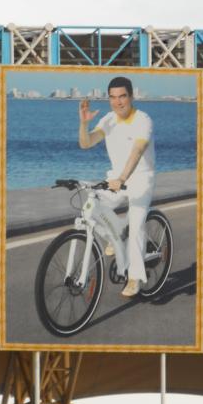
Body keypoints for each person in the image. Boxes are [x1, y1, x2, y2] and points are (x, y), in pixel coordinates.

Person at [78, 76, 155, 298]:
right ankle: (116, 237)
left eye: (122, 96)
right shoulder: (108, 119)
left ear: (131, 96)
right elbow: (85, 143)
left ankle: (135, 277)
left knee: (137, 223)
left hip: (140, 178)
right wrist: (84, 123)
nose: (118, 102)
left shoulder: (143, 120)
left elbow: (138, 151)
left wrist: (122, 178)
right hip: (116, 179)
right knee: (90, 207)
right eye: (113, 97)